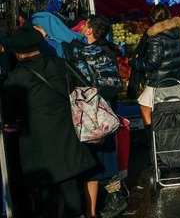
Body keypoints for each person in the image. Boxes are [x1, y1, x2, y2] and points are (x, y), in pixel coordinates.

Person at [2, 25, 95, 217]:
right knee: (70, 185)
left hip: (38, 142)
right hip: (67, 131)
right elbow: (82, 87)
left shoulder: (16, 77)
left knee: (47, 192)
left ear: (18, 54)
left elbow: (8, 114)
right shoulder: (58, 63)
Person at [69, 15, 127, 218]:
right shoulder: (107, 49)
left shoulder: (87, 52)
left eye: (84, 25)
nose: (82, 27)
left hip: (93, 109)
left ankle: (112, 196)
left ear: (90, 30)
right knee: (106, 149)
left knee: (98, 151)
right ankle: (112, 195)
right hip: (103, 108)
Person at [128, 4, 180, 140]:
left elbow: (152, 62)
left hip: (159, 80)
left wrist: (134, 62)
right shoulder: (176, 32)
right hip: (174, 78)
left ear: (152, 17)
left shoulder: (155, 36)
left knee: (144, 107)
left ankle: (153, 137)